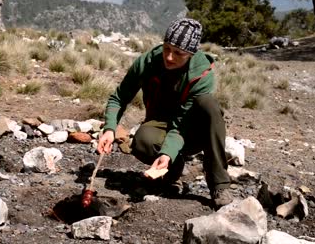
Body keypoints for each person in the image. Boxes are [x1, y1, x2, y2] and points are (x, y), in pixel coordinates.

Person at [97, 18, 233, 208]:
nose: (169, 57)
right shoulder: (147, 62)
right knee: (143, 141)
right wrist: (110, 128)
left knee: (209, 105)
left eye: (178, 53)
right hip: (160, 122)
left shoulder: (202, 73)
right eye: (167, 48)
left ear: (191, 54)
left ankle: (219, 184)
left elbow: (181, 125)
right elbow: (119, 98)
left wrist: (168, 151)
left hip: (194, 128)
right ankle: (172, 171)